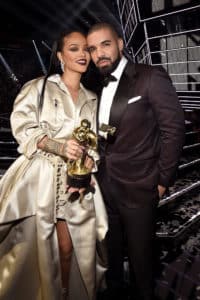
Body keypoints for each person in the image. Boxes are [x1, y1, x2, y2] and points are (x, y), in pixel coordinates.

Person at [0, 29, 108, 300]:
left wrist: (88, 164)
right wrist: (59, 146)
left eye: (86, 49)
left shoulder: (92, 97)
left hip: (76, 179)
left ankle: (63, 293)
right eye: (74, 48)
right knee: (40, 245)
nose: (83, 54)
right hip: (41, 179)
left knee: (72, 247)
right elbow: (23, 126)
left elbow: (94, 142)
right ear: (60, 55)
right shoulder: (38, 87)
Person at [87, 23, 185, 300]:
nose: (99, 54)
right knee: (113, 257)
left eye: (105, 44)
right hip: (105, 187)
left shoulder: (150, 76)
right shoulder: (96, 85)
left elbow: (173, 129)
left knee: (142, 265)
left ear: (120, 43)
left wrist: (163, 180)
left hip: (140, 186)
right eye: (93, 49)